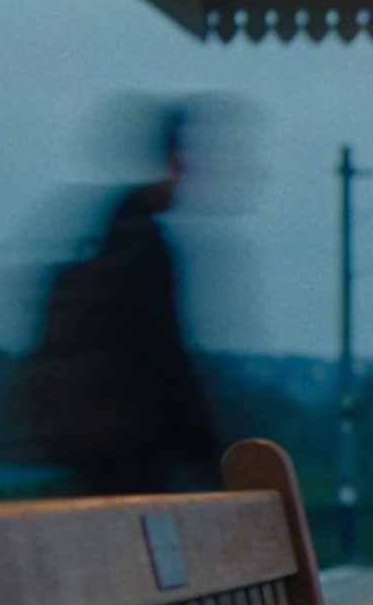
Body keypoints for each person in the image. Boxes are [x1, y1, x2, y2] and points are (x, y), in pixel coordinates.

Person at [18, 102, 222, 496]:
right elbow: (165, 357)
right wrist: (211, 460)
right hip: (135, 454)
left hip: (97, 455)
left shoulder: (110, 238)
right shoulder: (145, 252)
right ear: (172, 161)